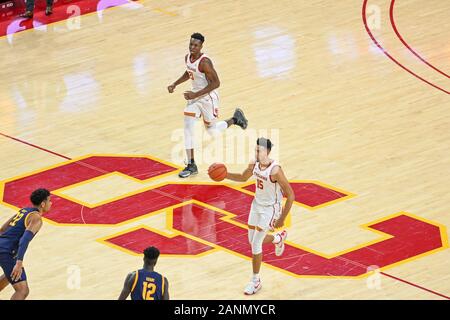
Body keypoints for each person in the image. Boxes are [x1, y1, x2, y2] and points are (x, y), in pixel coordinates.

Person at [168, 32, 248, 178]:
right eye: (191, 44)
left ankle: (235, 119)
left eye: (196, 45)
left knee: (212, 131)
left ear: (201, 46)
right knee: (187, 126)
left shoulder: (205, 62)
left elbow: (216, 83)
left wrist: (195, 95)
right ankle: (191, 164)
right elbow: (189, 72)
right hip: (195, 98)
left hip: (207, 98)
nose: (192, 47)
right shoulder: (188, 57)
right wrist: (175, 83)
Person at [224, 138, 294, 295]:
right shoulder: (254, 163)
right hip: (256, 205)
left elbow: (291, 195)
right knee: (252, 240)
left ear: (267, 152)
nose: (256, 153)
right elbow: (243, 177)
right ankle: (278, 239)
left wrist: (282, 218)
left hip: (271, 209)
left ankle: (255, 281)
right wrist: (225, 175)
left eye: (259, 151)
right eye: (255, 150)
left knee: (256, 243)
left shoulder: (275, 171)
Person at [0, 188, 51, 300]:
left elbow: (3, 229)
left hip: (2, 246)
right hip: (6, 251)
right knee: (22, 290)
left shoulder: (24, 211)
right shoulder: (36, 218)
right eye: (49, 201)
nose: (51, 203)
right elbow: (24, 240)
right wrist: (19, 262)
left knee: (11, 275)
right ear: (43, 204)